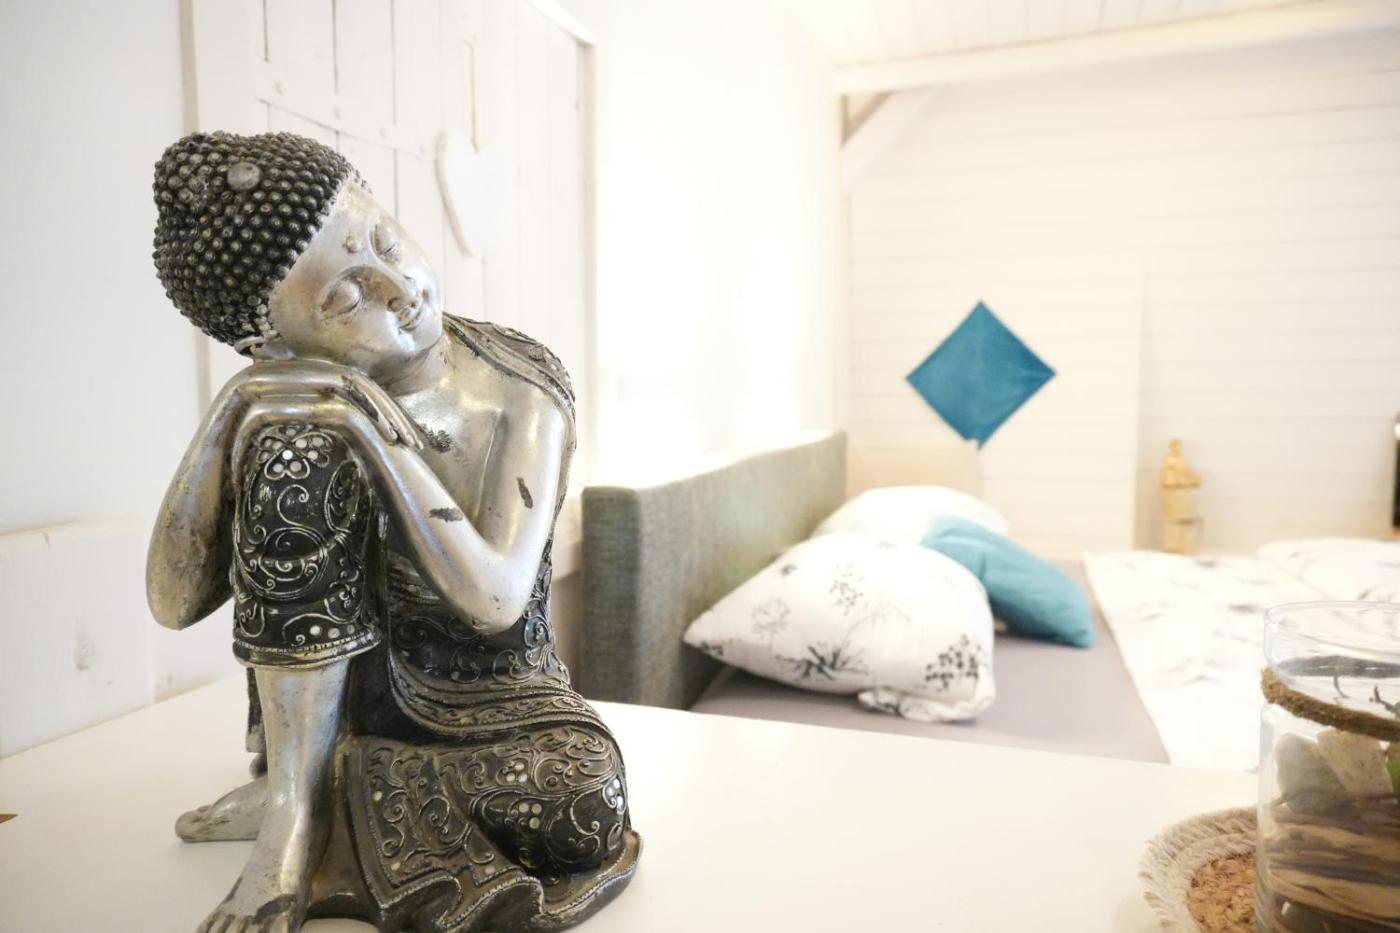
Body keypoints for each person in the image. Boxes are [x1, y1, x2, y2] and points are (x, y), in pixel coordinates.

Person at [147, 131, 638, 933]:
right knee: (295, 447)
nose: (396, 288)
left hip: (493, 702)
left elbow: (497, 601)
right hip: (341, 699)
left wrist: (372, 432)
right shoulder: (291, 409)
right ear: (272, 344)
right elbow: (173, 602)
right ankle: (294, 818)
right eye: (346, 299)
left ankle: (323, 791)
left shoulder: (517, 380)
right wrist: (232, 409)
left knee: (587, 799)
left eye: (383, 240)